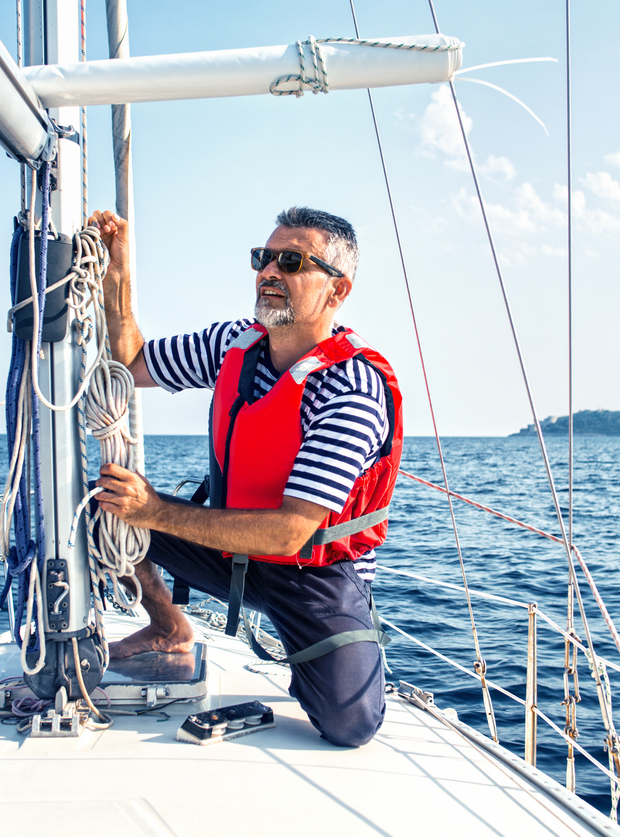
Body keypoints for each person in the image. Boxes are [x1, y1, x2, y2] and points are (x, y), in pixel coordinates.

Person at [89, 206, 403, 747]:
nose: (269, 272)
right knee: (104, 502)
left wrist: (155, 510)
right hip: (232, 552)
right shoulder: (236, 343)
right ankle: (168, 626)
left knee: (350, 727)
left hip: (315, 574)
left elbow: (290, 532)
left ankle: (323, 653)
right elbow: (132, 364)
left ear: (338, 290)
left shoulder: (351, 388)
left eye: (292, 261)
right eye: (264, 258)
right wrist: (117, 278)